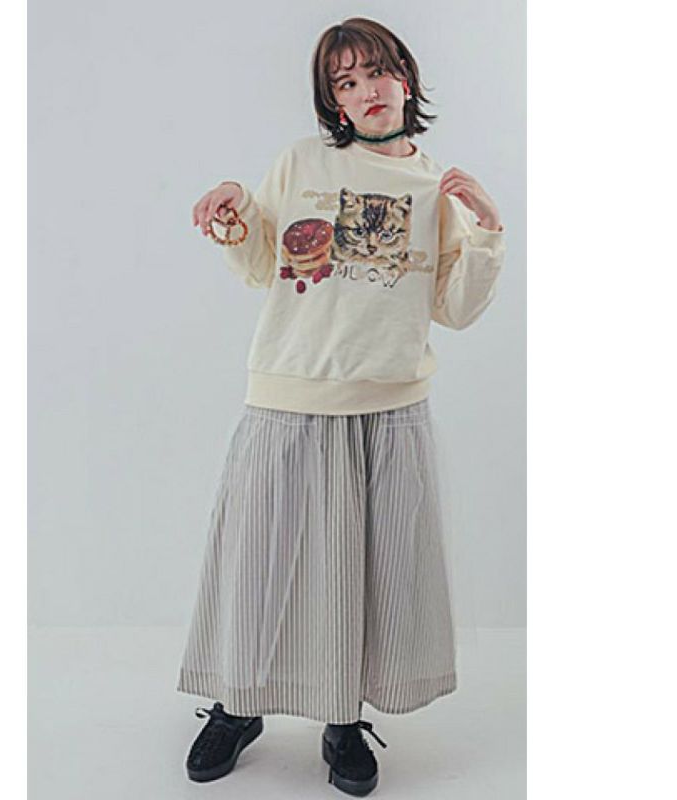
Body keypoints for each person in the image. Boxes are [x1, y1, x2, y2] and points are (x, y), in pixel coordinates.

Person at [177, 16, 505, 797]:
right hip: (288, 393)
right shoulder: (302, 162)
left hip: (389, 406)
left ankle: (342, 718)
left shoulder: (438, 189)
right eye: (345, 83)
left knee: (364, 575)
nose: (366, 91)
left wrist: (488, 230)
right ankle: (238, 703)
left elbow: (456, 308)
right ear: (334, 102)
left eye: (376, 72)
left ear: (406, 79)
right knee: (260, 561)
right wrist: (234, 211)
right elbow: (263, 262)